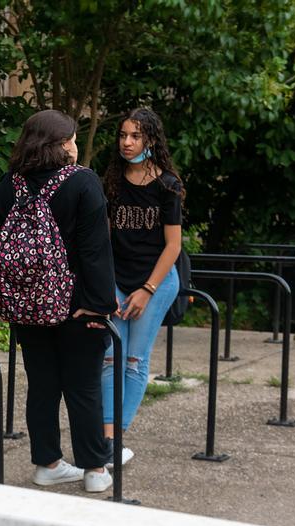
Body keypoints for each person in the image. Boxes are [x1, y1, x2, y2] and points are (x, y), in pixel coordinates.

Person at [0, 109, 118, 493]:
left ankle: (47, 463)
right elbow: (95, 251)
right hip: (77, 305)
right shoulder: (83, 183)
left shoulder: (9, 186)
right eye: (72, 139)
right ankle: (94, 470)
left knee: (41, 384)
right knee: (83, 386)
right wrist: (100, 303)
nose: (75, 146)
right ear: (61, 144)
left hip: (25, 306)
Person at [101, 108, 183, 462]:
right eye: (123, 136)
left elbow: (174, 246)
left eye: (135, 136)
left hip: (157, 281)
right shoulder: (112, 181)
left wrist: (147, 290)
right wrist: (106, 286)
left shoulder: (168, 185)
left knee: (134, 359)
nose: (127, 143)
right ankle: (106, 442)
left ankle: (117, 438)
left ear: (150, 140)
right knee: (108, 358)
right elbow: (102, 240)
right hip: (116, 280)